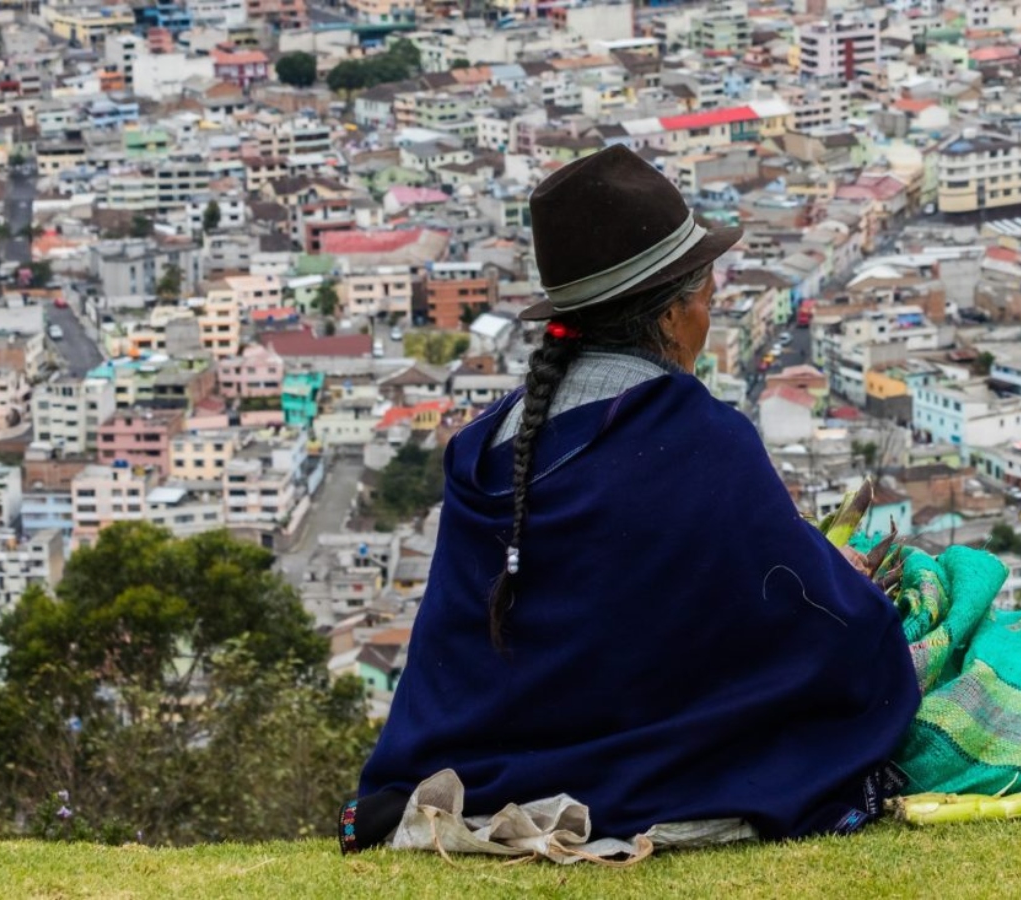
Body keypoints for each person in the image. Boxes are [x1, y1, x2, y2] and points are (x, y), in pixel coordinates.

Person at [344, 146, 920, 852]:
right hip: (641, 775)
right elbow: (826, 638)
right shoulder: (703, 442)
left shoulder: (488, 446)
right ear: (673, 316)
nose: (708, 321)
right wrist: (842, 583)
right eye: (707, 300)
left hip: (477, 775)